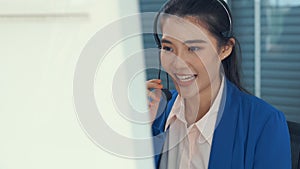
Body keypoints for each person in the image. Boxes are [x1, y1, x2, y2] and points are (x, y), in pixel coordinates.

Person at [147, 0, 291, 169]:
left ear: (225, 49)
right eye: (168, 48)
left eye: (193, 49)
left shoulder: (265, 124)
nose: (178, 64)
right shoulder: (154, 116)